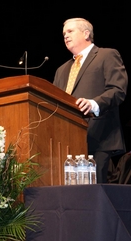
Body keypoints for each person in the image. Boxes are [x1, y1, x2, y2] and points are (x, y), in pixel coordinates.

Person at [53, 17, 128, 183]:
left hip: (99, 137)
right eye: (64, 33)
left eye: (70, 31)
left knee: (95, 194)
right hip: (67, 140)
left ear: (86, 33)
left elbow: (118, 90)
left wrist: (93, 104)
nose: (65, 36)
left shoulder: (106, 55)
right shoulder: (61, 70)